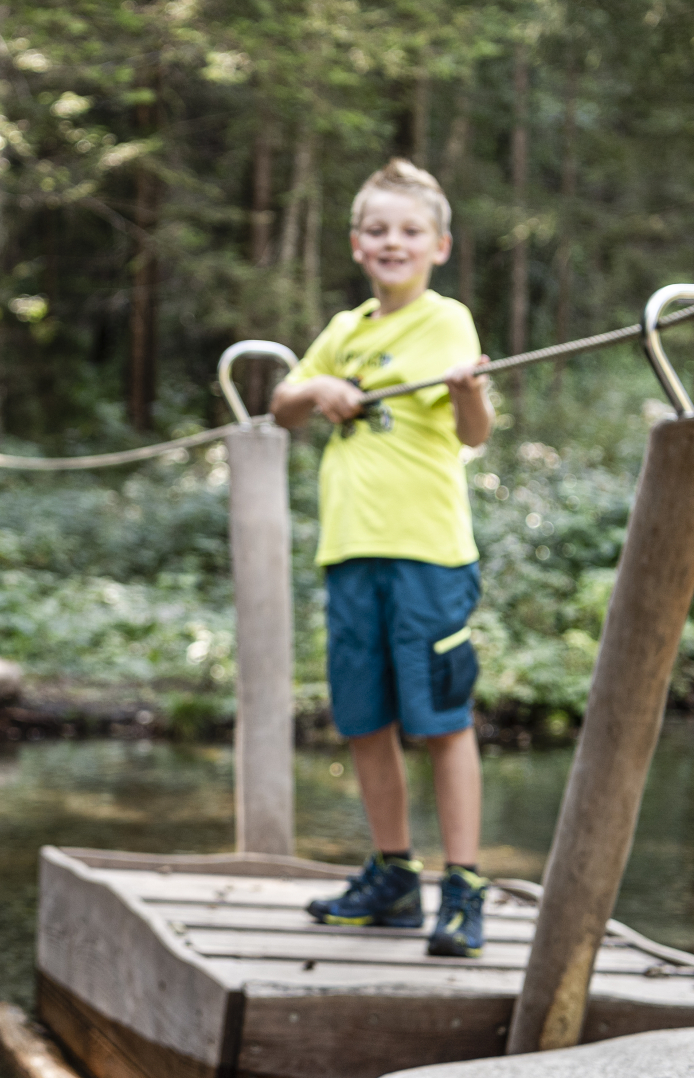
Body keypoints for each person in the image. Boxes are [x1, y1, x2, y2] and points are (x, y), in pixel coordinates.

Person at [269, 157, 495, 958]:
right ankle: (395, 873)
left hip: (428, 557)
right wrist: (317, 389)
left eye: (409, 230)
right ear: (358, 244)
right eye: (378, 229)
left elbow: (474, 430)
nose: (392, 242)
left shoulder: (446, 320)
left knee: (440, 719)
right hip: (351, 556)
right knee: (365, 719)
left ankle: (462, 883)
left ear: (438, 243)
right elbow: (282, 403)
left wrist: (470, 389)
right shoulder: (346, 330)